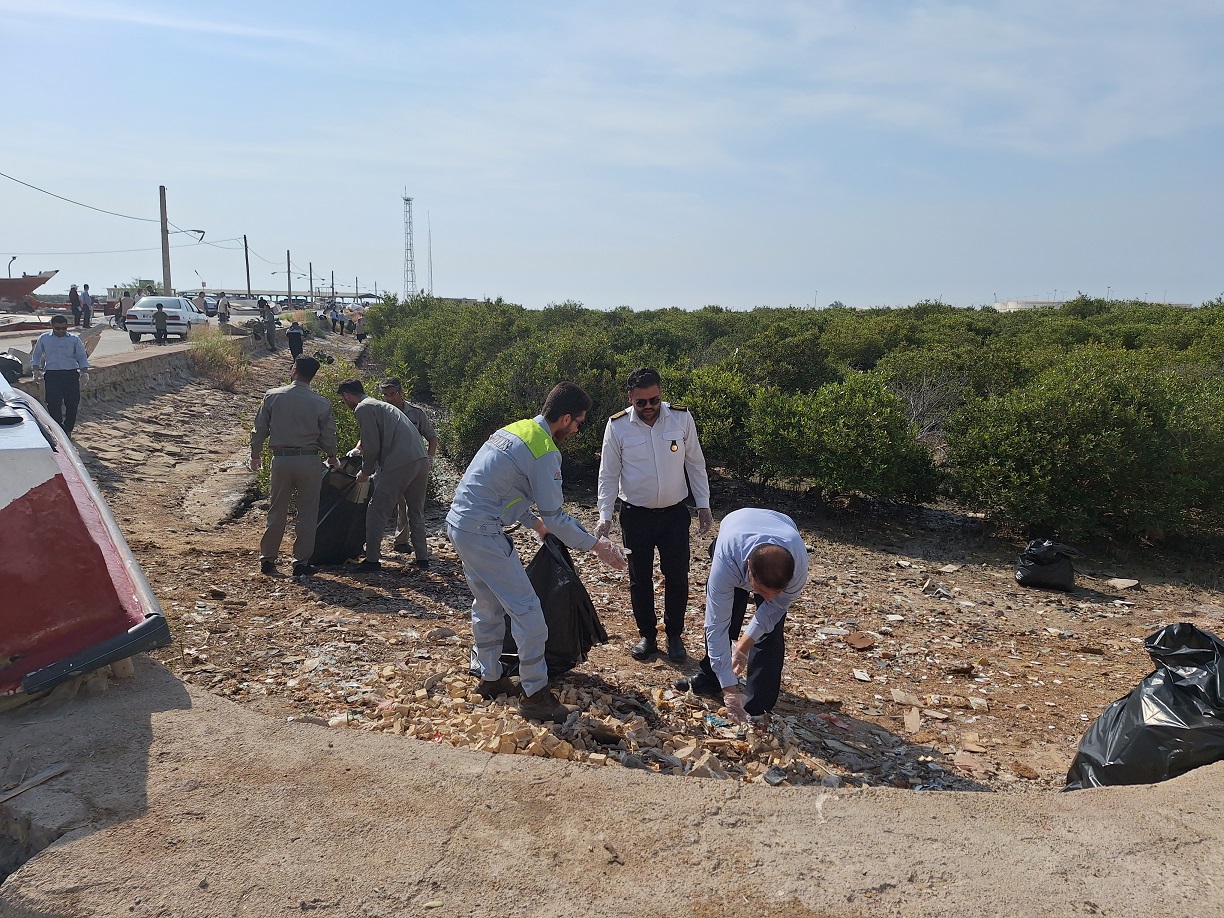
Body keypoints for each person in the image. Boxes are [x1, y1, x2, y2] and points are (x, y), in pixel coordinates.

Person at [446, 382, 629, 722]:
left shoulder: (516, 431)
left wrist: (534, 524)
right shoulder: (545, 450)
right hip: (483, 532)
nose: (577, 429)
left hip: (460, 523)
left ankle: (490, 677)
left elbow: (504, 490)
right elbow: (556, 516)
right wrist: (597, 546)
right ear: (565, 418)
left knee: (487, 605)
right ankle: (535, 695)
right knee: (529, 613)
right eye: (579, 422)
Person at [596, 367, 713, 663]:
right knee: (640, 578)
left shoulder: (681, 418)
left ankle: (674, 635)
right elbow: (608, 473)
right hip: (636, 516)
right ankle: (647, 635)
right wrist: (605, 515)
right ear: (630, 398)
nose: (649, 407)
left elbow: (695, 463)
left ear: (661, 394)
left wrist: (703, 504)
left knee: (677, 577)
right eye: (641, 402)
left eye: (654, 400)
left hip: (674, 515)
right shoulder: (618, 426)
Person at [678, 508, 809, 723]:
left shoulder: (798, 569)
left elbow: (771, 612)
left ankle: (758, 706)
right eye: (762, 591)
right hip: (735, 530)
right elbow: (716, 626)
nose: (769, 598)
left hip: (782, 528)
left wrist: (742, 647)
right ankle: (713, 678)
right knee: (727, 617)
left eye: (776, 592)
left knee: (770, 633)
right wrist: (730, 693)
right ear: (749, 569)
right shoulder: (727, 559)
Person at [250, 356, 340, 577]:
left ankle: (268, 560)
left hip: (281, 460)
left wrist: (255, 455)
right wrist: (331, 456)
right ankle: (301, 563)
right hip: (309, 460)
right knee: (307, 513)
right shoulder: (321, 402)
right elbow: (329, 436)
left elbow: (259, 429)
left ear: (295, 369)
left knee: (276, 510)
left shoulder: (272, 396)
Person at [337, 379, 430, 572]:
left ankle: (372, 561)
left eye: (343, 399)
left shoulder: (363, 408)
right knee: (415, 511)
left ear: (346, 395)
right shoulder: (380, 405)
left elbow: (372, 446)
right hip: (420, 460)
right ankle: (422, 559)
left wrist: (365, 472)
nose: (344, 403)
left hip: (399, 462)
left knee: (376, 510)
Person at [377, 377, 437, 566]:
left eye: (392, 394)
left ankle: (413, 549)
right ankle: (379, 546)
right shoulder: (381, 412)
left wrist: (430, 458)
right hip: (390, 465)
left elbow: (432, 436)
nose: (389, 398)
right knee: (384, 505)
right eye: (386, 395)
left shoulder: (416, 413)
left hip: (413, 463)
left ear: (400, 392)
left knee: (413, 507)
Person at [30, 314, 89, 435]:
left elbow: (81, 356)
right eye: (58, 328)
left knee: (72, 403)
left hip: (70, 374)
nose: (61, 331)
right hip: (52, 374)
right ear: (52, 326)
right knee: (53, 403)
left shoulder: (74, 339)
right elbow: (36, 355)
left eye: (64, 328)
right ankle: (58, 429)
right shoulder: (44, 338)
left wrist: (84, 372)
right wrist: (36, 370)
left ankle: (68, 428)